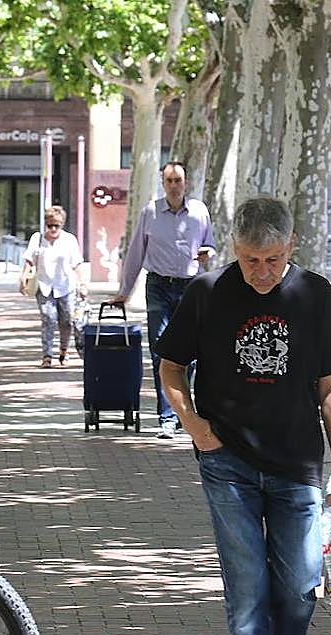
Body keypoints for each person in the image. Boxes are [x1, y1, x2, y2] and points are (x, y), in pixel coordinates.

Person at [155, 196, 331, 635]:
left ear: (290, 246)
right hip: (227, 463)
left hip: (297, 465)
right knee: (247, 591)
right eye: (250, 260)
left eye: (271, 259)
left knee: (298, 586)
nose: (261, 272)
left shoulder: (315, 295)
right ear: (233, 251)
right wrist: (192, 422)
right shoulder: (206, 293)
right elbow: (171, 365)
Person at [111, 161, 217, 440]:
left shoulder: (199, 212)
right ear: (163, 183)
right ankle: (167, 418)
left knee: (192, 354)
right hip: (157, 286)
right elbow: (135, 253)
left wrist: (209, 253)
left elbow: (211, 245)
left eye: (178, 180)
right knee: (161, 352)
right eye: (169, 180)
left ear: (186, 183)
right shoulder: (150, 212)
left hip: (191, 288)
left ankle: (185, 411)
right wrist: (124, 291)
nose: (173, 185)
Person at [21, 205, 83, 368]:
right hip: (44, 286)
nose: (53, 229)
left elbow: (77, 263)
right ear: (45, 224)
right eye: (50, 225)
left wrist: (82, 284)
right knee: (48, 319)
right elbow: (29, 259)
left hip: (65, 286)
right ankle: (47, 355)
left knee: (67, 320)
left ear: (62, 224)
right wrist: (23, 277)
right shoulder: (37, 238)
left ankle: (64, 349)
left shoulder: (69, 240)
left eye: (57, 225)